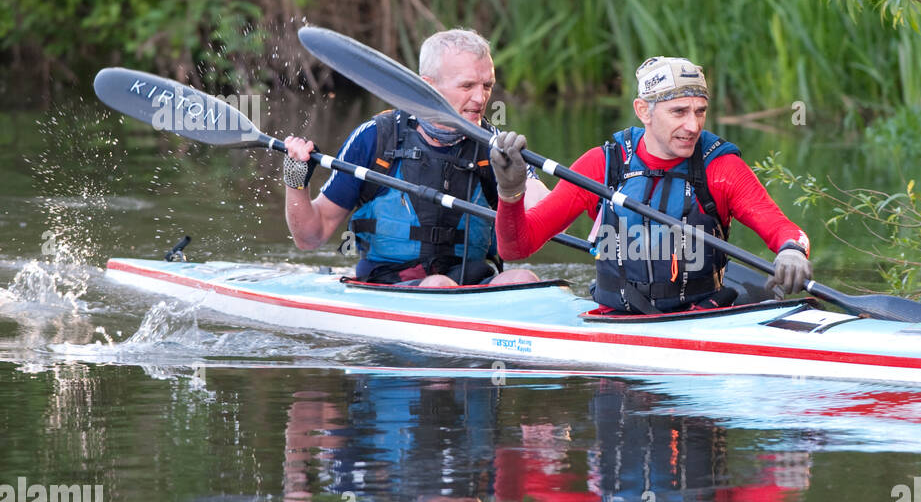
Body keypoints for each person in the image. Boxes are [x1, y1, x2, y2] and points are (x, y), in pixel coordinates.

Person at [489, 55, 812, 313]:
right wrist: (511, 193)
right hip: (616, 321)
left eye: (700, 111)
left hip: (703, 316)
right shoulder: (601, 165)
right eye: (679, 112)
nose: (693, 125)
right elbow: (516, 249)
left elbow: (783, 229)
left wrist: (793, 251)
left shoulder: (721, 167)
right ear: (643, 111)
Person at [282, 28, 545, 287]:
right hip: (386, 282)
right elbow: (310, 237)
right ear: (428, 87)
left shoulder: (495, 146)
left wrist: (514, 188)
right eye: (467, 85)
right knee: (438, 285)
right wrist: (295, 179)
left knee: (524, 279)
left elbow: (545, 212)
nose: (481, 97)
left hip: (470, 280)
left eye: (487, 85)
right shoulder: (375, 137)